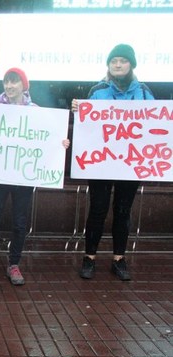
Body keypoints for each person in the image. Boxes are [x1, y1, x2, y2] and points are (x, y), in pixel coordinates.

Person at [0, 68, 70, 285]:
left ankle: (14, 264)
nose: (9, 86)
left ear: (24, 85)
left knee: (19, 222)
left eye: (14, 82)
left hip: (23, 177)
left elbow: (49, 136)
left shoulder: (35, 111)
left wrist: (60, 143)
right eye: (6, 82)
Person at [71, 44, 154, 281]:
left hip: (130, 163)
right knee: (97, 209)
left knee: (123, 210)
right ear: (108, 65)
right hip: (101, 162)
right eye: (113, 61)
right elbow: (86, 127)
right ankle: (89, 258)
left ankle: (119, 259)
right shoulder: (97, 91)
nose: (118, 64)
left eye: (123, 61)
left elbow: (156, 126)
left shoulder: (145, 93)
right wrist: (78, 110)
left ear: (131, 64)